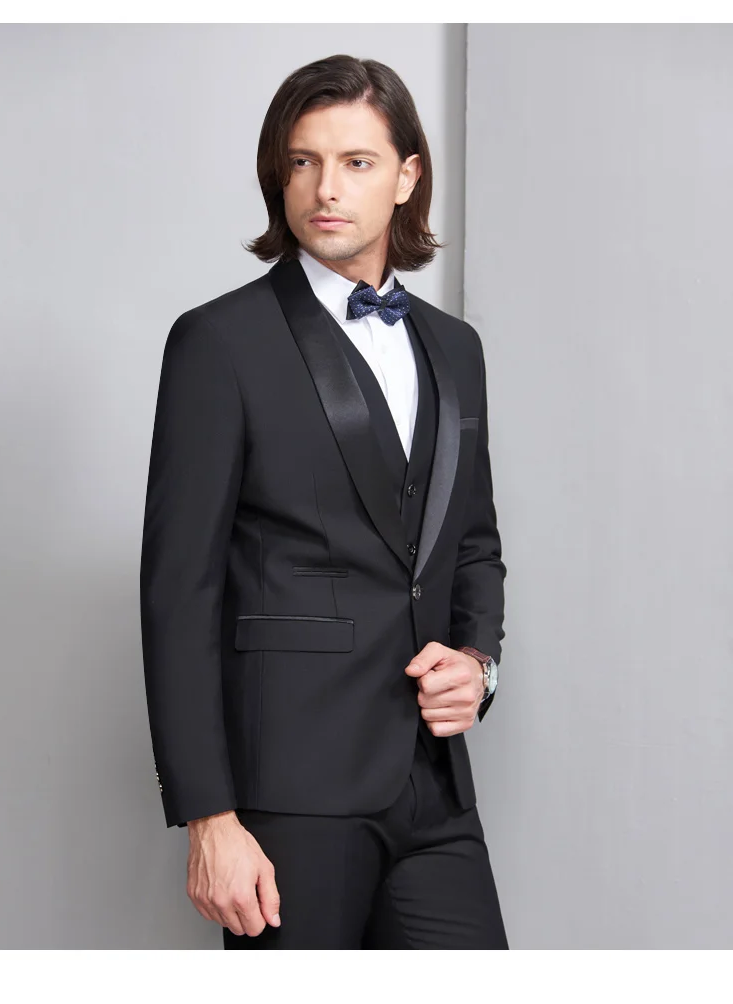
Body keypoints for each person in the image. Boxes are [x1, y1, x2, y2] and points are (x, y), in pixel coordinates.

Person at [139, 53, 508, 950]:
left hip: (433, 787)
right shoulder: (218, 342)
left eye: (356, 162)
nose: (325, 189)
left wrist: (478, 663)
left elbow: (472, 542)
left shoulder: (456, 348)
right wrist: (209, 817)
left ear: (407, 177)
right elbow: (179, 591)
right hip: (287, 794)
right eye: (303, 161)